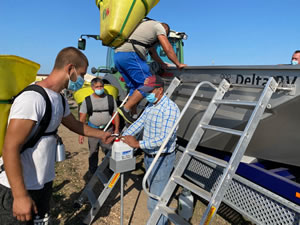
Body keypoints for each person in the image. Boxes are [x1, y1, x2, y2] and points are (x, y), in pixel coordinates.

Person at [0, 47, 113, 224]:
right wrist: (20, 196)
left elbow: (75, 125)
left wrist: (102, 134)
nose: (82, 79)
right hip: (18, 187)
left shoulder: (58, 98)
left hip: (42, 184)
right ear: (70, 69)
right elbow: (10, 148)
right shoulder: (32, 99)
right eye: (81, 73)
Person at [121, 75, 180, 225]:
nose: (146, 94)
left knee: (155, 201)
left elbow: (163, 139)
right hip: (149, 156)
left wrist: (138, 144)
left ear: (160, 90)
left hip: (162, 159)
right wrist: (123, 136)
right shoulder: (150, 105)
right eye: (145, 91)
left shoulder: (170, 109)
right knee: (154, 193)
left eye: (149, 91)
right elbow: (139, 123)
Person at [114, 19, 186, 123]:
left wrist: (162, 63)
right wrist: (178, 63)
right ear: (165, 30)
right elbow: (167, 48)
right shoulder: (159, 27)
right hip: (131, 55)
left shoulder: (144, 26)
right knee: (150, 83)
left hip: (118, 56)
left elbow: (152, 53)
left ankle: (133, 116)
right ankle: (125, 109)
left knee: (134, 87)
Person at [78, 77, 120, 175]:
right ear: (92, 88)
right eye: (97, 87)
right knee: (93, 151)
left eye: (101, 86)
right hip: (92, 130)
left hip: (107, 129)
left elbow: (115, 114)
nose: (99, 88)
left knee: (109, 150)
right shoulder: (87, 100)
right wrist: (81, 133)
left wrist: (116, 129)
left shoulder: (110, 99)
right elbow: (82, 117)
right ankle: (92, 172)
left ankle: (110, 170)